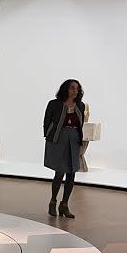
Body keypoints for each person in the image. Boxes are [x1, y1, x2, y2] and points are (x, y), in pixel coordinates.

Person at [43, 79, 86, 219]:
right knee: (59, 172)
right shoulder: (54, 104)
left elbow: (80, 124)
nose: (75, 91)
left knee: (72, 172)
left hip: (73, 139)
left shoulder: (80, 105)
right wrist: (48, 136)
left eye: (77, 89)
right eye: (72, 88)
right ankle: (53, 201)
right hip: (58, 138)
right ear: (65, 89)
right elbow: (47, 121)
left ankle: (65, 204)